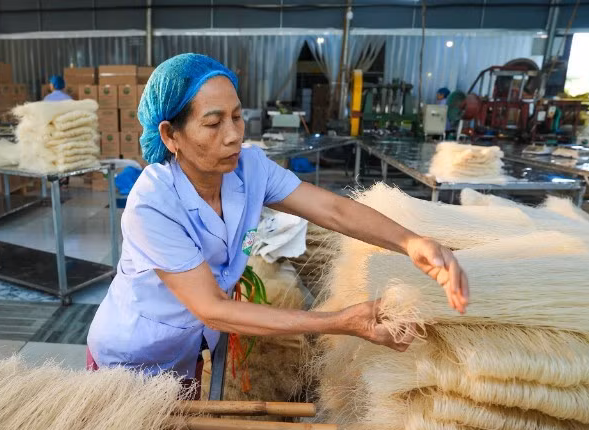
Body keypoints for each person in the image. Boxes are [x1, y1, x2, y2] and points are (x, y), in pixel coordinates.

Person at [86, 54, 469, 396]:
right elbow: (212, 309)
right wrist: (343, 321)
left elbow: (331, 210)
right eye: (214, 123)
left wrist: (410, 241)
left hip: (184, 351)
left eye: (237, 117)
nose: (234, 134)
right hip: (130, 357)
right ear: (171, 135)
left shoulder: (249, 167)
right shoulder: (153, 203)